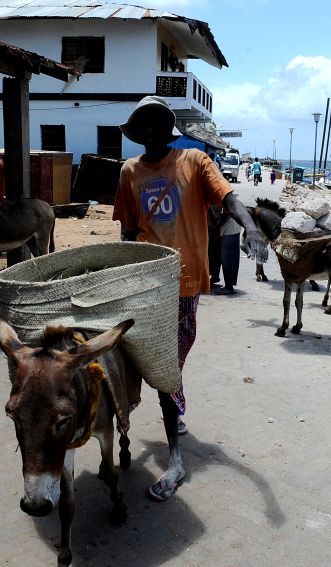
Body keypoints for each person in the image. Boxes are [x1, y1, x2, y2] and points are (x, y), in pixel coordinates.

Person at [113, 95, 268, 501]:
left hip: (183, 281)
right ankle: (173, 426)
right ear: (137, 132)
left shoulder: (194, 163)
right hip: (145, 281)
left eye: (156, 123)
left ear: (168, 129)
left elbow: (229, 199)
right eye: (142, 125)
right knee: (144, 356)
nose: (150, 132)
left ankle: (177, 454)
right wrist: (119, 273)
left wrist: (251, 228)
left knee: (171, 359)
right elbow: (128, 232)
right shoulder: (129, 171)